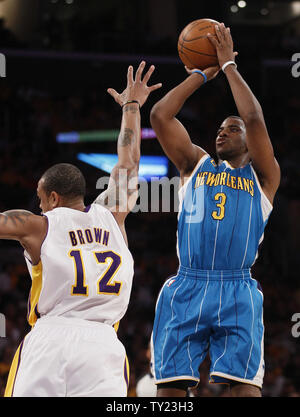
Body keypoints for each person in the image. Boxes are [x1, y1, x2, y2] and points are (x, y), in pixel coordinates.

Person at [1, 61, 162, 397]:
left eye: (41, 199)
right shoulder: (112, 215)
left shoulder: (38, 225)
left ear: (53, 197)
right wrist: (131, 106)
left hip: (52, 340)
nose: (40, 205)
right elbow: (129, 158)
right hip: (103, 347)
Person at [150, 23, 280, 397]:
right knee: (171, 391)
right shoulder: (195, 164)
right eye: (220, 128)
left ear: (249, 142)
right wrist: (199, 74)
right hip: (187, 283)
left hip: (237, 287)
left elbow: (254, 118)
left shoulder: (264, 177)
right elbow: (160, 116)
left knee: (242, 390)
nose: (222, 132)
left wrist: (228, 67)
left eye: (232, 129)